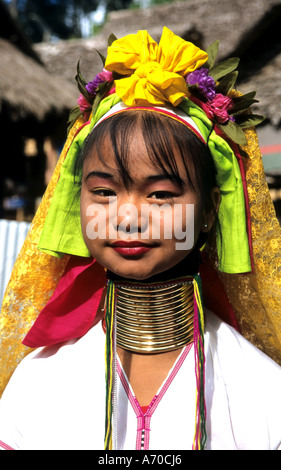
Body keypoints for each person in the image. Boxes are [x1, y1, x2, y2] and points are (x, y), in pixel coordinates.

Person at [0, 27, 280, 451]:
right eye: (105, 192)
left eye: (161, 194)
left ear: (208, 211)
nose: (128, 217)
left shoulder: (263, 393)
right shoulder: (37, 384)